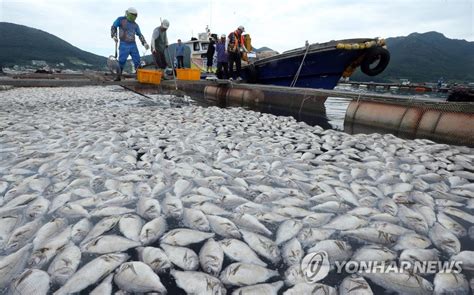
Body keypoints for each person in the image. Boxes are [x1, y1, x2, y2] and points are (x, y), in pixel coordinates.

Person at [111, 7, 149, 81]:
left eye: (135, 16)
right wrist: (114, 36)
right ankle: (118, 76)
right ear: (128, 14)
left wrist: (144, 43)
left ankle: (139, 75)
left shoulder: (135, 25)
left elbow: (140, 35)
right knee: (121, 60)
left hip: (133, 44)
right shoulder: (120, 20)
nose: (134, 17)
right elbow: (114, 27)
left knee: (137, 60)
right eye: (132, 15)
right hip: (123, 44)